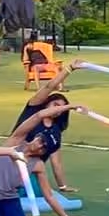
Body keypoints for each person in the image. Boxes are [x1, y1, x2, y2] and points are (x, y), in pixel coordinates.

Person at [0, 106, 82, 216]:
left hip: (9, 198)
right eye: (41, 141)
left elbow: (49, 196)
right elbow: (38, 116)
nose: (39, 145)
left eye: (44, 148)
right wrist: (71, 106)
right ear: (37, 136)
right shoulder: (16, 141)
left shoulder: (38, 165)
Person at [12, 59, 87, 193]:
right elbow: (49, 87)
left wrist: (63, 186)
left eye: (62, 108)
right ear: (47, 103)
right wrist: (69, 69)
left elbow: (56, 161)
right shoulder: (33, 109)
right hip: (10, 162)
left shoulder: (55, 130)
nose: (58, 110)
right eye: (55, 105)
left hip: (30, 171)